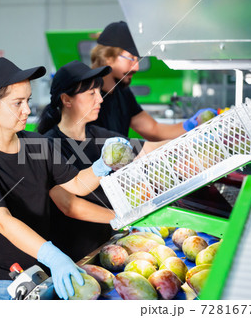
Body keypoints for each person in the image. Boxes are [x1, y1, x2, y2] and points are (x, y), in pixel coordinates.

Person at [0, 57, 126, 300]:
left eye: (28, 100)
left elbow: (75, 186)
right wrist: (54, 256)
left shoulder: (38, 144)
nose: (27, 110)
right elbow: (3, 222)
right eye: (17, 103)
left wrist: (102, 165)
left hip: (27, 276)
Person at [38, 60, 164, 262]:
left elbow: (147, 149)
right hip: (74, 254)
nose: (100, 99)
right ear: (66, 100)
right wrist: (122, 219)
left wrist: (197, 139)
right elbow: (68, 204)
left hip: (106, 246)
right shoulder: (48, 145)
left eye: (99, 92)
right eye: (91, 94)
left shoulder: (101, 136)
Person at [90, 21, 216, 141]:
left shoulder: (123, 93)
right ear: (108, 58)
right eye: (131, 59)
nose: (136, 67)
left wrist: (191, 124)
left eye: (137, 59)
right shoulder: (86, 93)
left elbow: (154, 130)